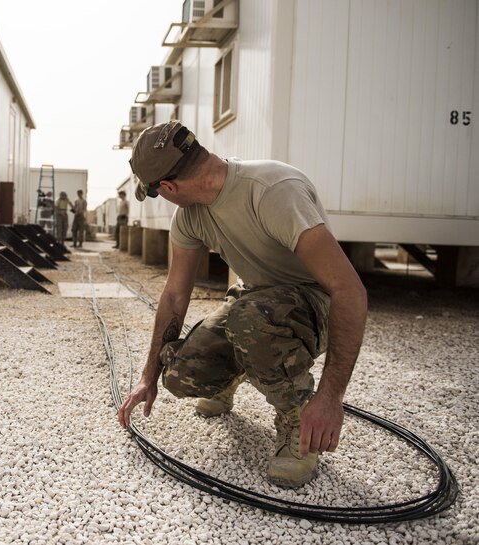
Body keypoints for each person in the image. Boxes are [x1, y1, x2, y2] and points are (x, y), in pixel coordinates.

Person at [117, 121, 367, 488]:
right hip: (258, 301)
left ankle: (297, 420)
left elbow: (349, 291)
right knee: (181, 375)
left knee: (250, 319)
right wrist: (148, 376)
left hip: (315, 304)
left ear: (167, 187)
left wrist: (331, 397)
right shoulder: (188, 216)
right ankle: (237, 372)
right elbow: (174, 294)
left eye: (155, 193)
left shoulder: (274, 191)